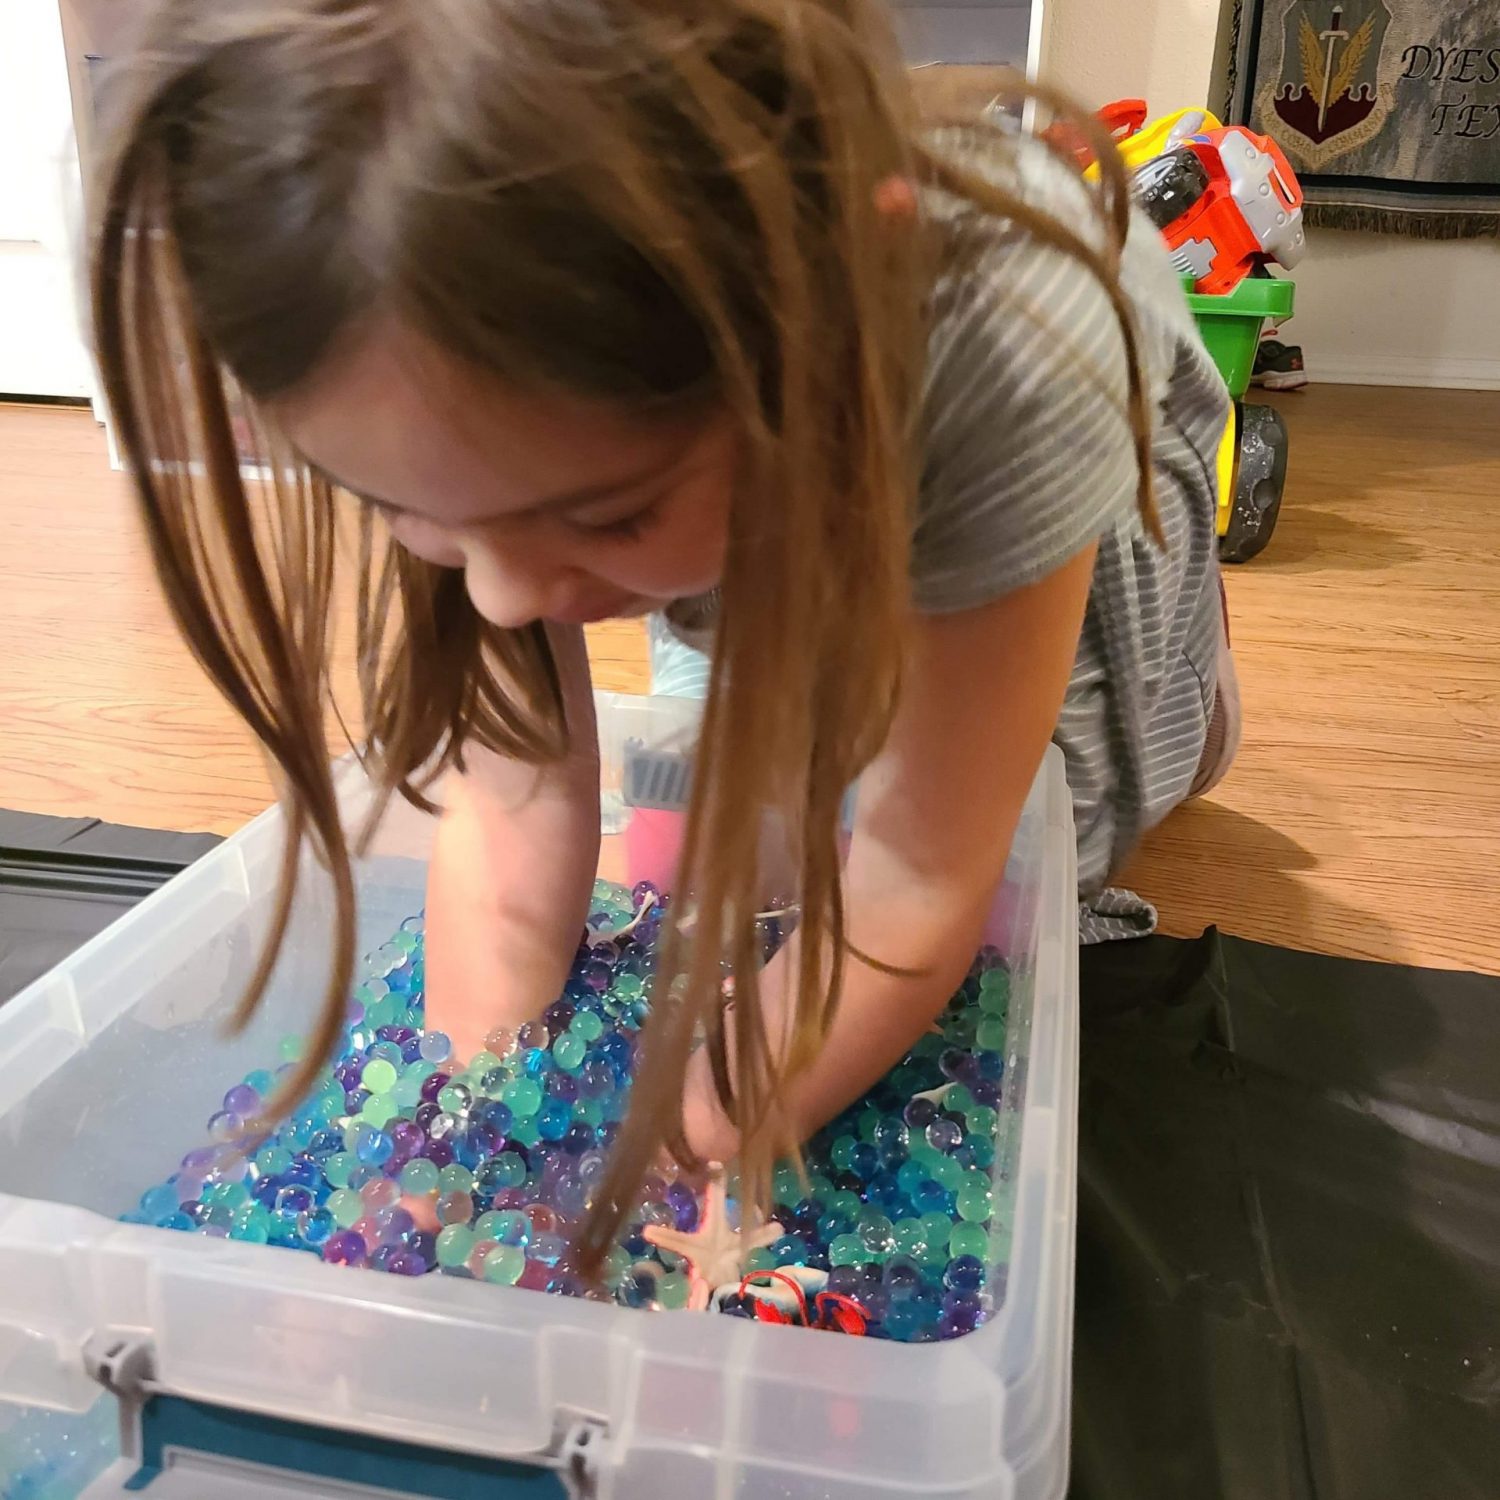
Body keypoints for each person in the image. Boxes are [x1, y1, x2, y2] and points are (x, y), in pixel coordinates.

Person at [91, 0, 1233, 1268]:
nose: (500, 600)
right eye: (406, 510)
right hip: (750, 473)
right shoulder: (406, 334)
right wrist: (458, 1133)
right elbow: (508, 818)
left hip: (1018, 444)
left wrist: (704, 1142)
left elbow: (919, 879)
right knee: (732, 815)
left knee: (1035, 831)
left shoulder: (1019, 351)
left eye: (600, 514)